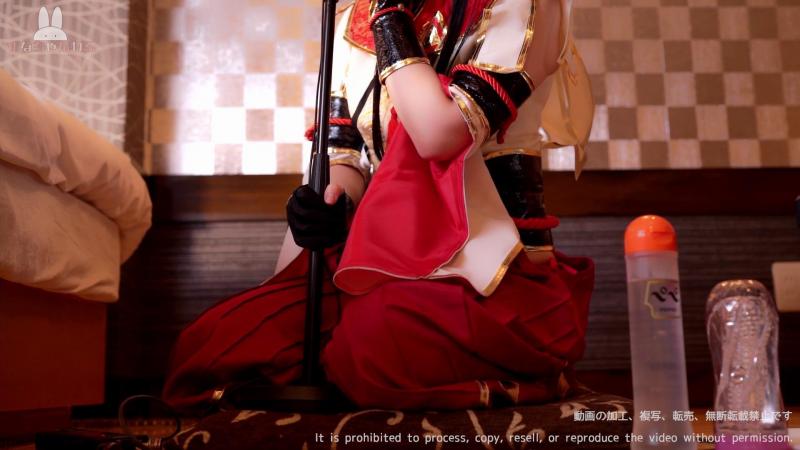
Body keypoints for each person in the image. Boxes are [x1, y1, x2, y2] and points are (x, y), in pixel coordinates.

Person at [163, 0, 594, 412]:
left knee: (370, 340)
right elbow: (344, 156)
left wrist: (389, 15)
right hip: (383, 253)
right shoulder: (351, 20)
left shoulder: (521, 6)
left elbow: (438, 135)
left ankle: (528, 370)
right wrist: (329, 205)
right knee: (216, 342)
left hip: (494, 269)